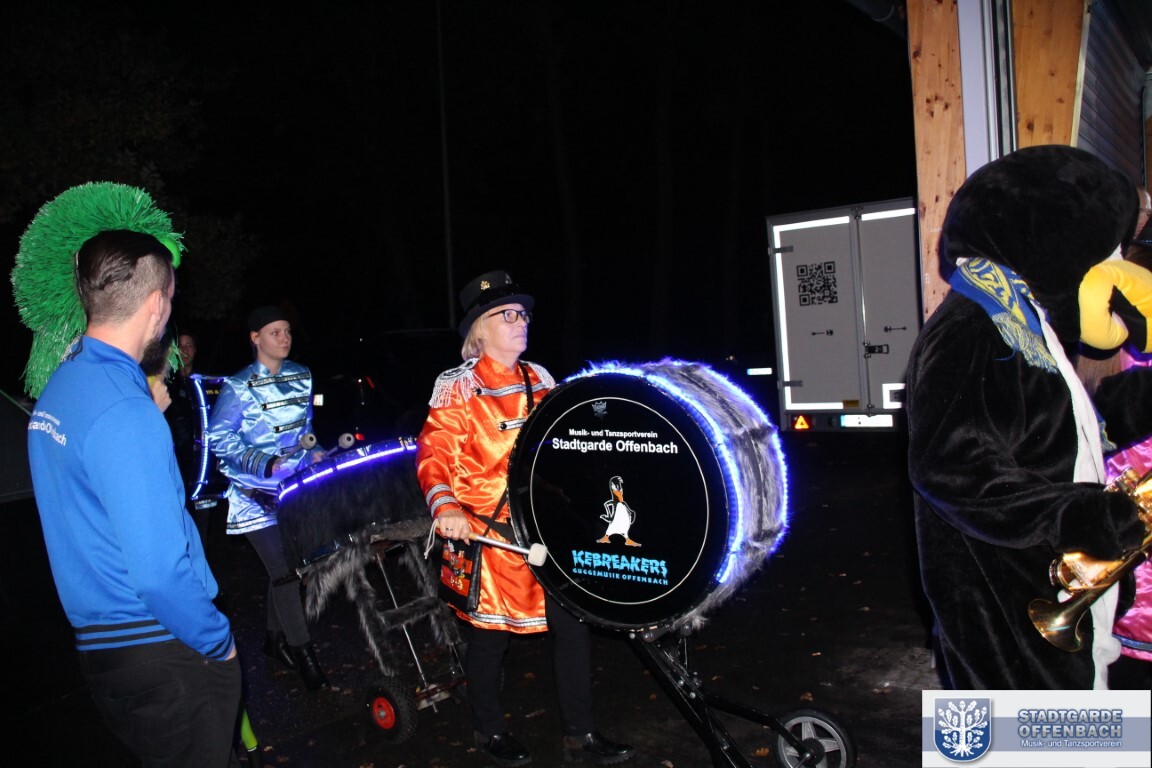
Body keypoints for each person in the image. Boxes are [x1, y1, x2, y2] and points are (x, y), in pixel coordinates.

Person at [905, 145, 1152, 690]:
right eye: (1101, 249)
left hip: (1038, 582)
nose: (1108, 265)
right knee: (1031, 734)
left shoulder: (1020, 318)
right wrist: (1076, 516)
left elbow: (1059, 429)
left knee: (1084, 729)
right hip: (1005, 601)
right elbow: (949, 467)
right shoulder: (974, 327)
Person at [25, 228, 241, 766]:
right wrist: (217, 640)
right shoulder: (125, 410)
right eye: (171, 298)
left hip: (107, 653)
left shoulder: (62, 387)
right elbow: (158, 573)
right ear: (156, 303)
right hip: (164, 646)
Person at [416, 270, 635, 766]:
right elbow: (433, 454)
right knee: (490, 638)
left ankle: (581, 734)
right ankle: (488, 730)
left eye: (524, 315)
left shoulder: (540, 378)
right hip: (489, 535)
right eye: (508, 315)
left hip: (545, 530)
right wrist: (445, 506)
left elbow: (562, 449)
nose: (522, 322)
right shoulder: (458, 387)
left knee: (573, 627)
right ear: (480, 328)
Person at [205, 305, 330, 690]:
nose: (284, 338)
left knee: (288, 569)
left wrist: (315, 451)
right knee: (284, 569)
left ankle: (273, 641)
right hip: (253, 493)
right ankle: (304, 653)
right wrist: (264, 463)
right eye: (275, 332)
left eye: (287, 330)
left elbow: (306, 429)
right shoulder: (237, 386)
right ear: (255, 338)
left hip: (294, 491)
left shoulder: (302, 375)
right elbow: (217, 437)